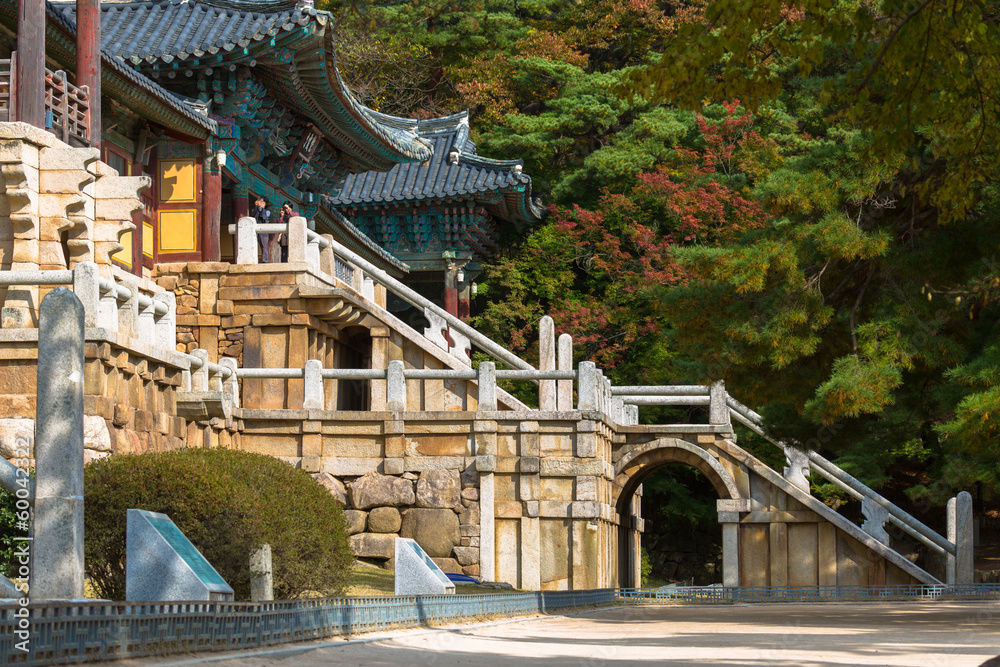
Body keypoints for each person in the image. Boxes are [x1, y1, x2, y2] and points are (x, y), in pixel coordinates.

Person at [251, 195, 272, 262]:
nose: (259, 202)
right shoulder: (255, 209)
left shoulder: (267, 211)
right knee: (253, 244)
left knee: (264, 245)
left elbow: (264, 217)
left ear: (264, 203)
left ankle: (264, 260)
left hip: (263, 230)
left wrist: (261, 208)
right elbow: (252, 214)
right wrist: (256, 207)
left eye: (261, 201)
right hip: (255, 229)